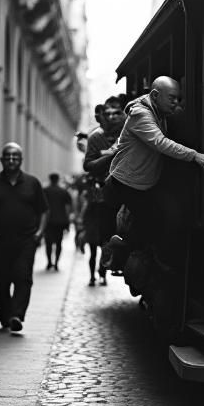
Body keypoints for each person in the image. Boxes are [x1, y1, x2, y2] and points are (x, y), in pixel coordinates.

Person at [99, 76, 204, 267]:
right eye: (172, 98)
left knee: (162, 219)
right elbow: (160, 142)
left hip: (142, 182)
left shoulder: (158, 110)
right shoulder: (141, 115)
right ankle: (118, 249)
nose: (176, 103)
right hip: (128, 183)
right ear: (155, 95)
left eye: (178, 98)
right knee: (154, 224)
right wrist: (194, 155)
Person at [0, 143, 48, 334]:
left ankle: (17, 315)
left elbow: (43, 210)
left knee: (23, 277)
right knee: (1, 281)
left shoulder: (32, 183)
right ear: (1, 159)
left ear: (21, 160)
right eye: (7, 156)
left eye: (15, 157)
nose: (11, 160)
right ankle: (5, 314)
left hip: (26, 241)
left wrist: (39, 232)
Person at [81, 96, 126, 286]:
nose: (112, 117)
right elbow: (88, 165)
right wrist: (109, 156)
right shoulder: (95, 137)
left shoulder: (129, 132)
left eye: (117, 113)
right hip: (101, 195)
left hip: (126, 188)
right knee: (98, 226)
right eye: (108, 114)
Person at [42, 172, 72, 271]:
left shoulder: (45, 191)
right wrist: (67, 221)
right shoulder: (63, 191)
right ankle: (56, 263)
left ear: (50, 179)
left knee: (48, 243)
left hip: (48, 221)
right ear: (58, 179)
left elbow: (41, 207)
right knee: (59, 243)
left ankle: (49, 262)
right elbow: (67, 208)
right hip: (60, 221)